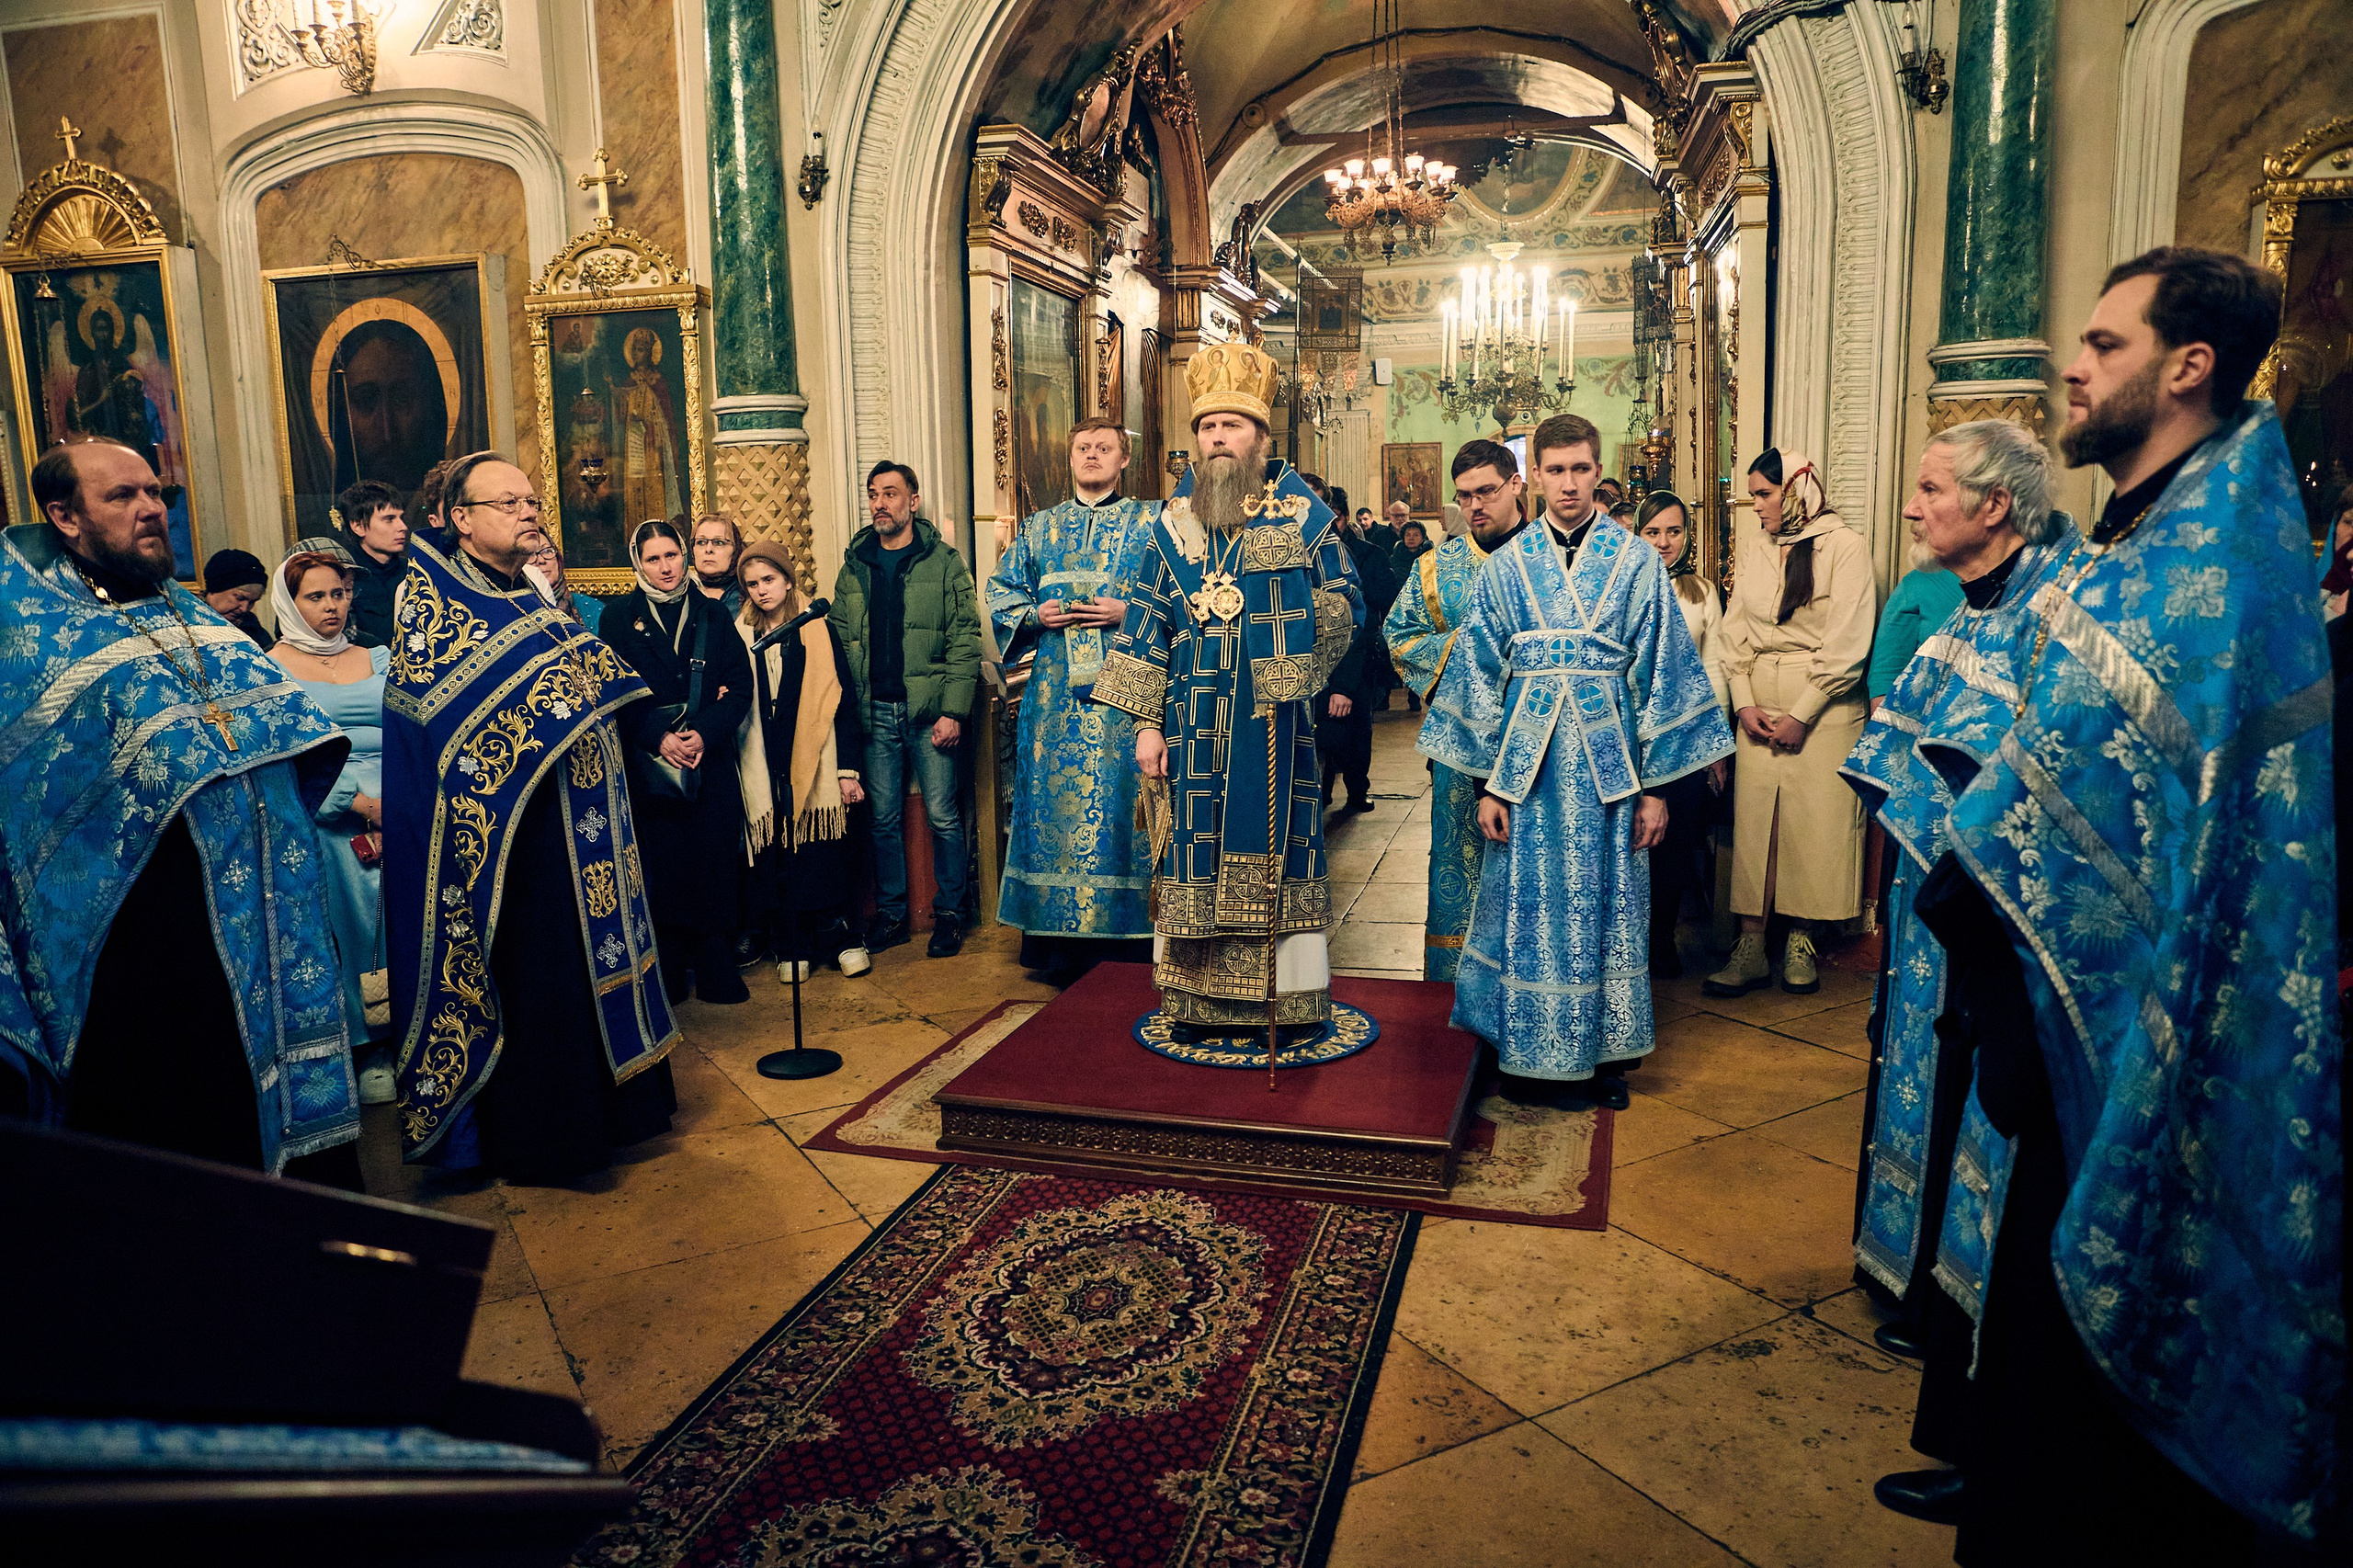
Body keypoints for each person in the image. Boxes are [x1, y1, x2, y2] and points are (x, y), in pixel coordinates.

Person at [1902, 248, 2340, 1560]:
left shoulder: (2220, 572)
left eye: (2102, 345)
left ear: (2186, 365)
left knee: (2092, 1351)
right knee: (2037, 1312)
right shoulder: (2150, 535)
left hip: (2127, 1015)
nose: (2074, 372)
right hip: (2050, 1006)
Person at [1836, 419, 2076, 1529]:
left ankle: (1993, 1431)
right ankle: (1936, 1305)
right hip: (1936, 920)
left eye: (1930, 488)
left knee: (1996, 1142)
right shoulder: (1972, 608)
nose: (1911, 504)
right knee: (1928, 1106)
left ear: (1994, 506)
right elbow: (1900, 743)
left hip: (2008, 942)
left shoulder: (2057, 614)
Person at [0, 437, 358, 1180]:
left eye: (155, 492)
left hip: (267, 912)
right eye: (123, 497)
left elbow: (288, 736)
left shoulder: (194, 617)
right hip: (140, 942)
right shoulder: (27, 636)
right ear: (65, 516)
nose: (152, 509)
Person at [1423, 415, 1730, 1108]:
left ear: (1598, 472)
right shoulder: (1505, 567)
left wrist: (1659, 791)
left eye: (1580, 470)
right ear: (1535, 477)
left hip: (1610, 774)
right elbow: (1477, 677)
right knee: (1526, 912)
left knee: (1608, 908)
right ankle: (1526, 1051)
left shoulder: (1638, 563)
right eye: (1555, 471)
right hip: (1525, 776)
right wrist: (1485, 786)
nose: (1568, 484)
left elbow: (1666, 674)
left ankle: (1601, 1057)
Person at [385, 451, 677, 1181]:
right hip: (516, 843)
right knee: (539, 977)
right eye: (509, 503)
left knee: (584, 974)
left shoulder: (528, 594)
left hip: (583, 827)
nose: (530, 513)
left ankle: (616, 1117)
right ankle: (550, 1140)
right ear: (461, 519)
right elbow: (446, 735)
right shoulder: (432, 608)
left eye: (532, 501)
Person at [1094, 340, 1363, 1039]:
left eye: (1232, 426)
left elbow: (1346, 601)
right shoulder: (1170, 523)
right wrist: (1146, 727)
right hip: (1191, 724)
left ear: (1261, 439)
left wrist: (1295, 657)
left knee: (1279, 843)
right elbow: (1146, 618)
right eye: (1207, 427)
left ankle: (1287, 998)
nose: (1217, 438)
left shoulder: (1303, 518)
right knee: (1193, 849)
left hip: (1275, 723)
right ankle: (1195, 1003)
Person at [985, 417, 1158, 983]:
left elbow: (1181, 595)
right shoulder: (1038, 528)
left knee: (1120, 807)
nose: (1091, 455)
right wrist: (1035, 615)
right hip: (1056, 697)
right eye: (1082, 447)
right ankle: (1055, 943)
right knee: (1053, 810)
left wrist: (1127, 612)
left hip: (1125, 692)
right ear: (1070, 457)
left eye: (1103, 448)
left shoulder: (1152, 522)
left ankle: (1128, 939)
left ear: (1123, 458)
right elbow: (1001, 590)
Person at [1707, 449, 1877, 996]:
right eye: (1753, 494)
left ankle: (1802, 940)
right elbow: (1734, 632)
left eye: (1763, 494)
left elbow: (1848, 643)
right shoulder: (1757, 548)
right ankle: (1751, 942)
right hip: (1758, 696)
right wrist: (1742, 701)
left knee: (1815, 825)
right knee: (1758, 826)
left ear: (1796, 490)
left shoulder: (1845, 548)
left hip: (1823, 711)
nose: (1755, 505)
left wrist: (1803, 713)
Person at [831, 461, 983, 960]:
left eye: (890, 494)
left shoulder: (944, 562)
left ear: (912, 502)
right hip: (873, 712)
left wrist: (954, 711)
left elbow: (965, 640)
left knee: (942, 816)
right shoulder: (855, 564)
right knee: (883, 820)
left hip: (929, 713)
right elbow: (839, 639)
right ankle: (893, 916)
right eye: (873, 494)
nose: (879, 503)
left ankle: (951, 914)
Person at [601, 519, 755, 1006]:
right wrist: (659, 737)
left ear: (684, 556)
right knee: (662, 863)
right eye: (653, 559)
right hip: (652, 765)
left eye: (671, 555)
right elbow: (614, 692)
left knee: (712, 859)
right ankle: (666, 967)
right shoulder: (618, 617)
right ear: (637, 563)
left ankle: (714, 963)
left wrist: (703, 734)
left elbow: (740, 685)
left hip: (706, 760)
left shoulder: (712, 614)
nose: (665, 567)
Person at [1387, 438, 1523, 982]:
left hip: (1545, 742)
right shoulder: (1436, 566)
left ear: (1517, 485)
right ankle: (1458, 986)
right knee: (1462, 861)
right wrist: (1470, 652)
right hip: (1462, 747)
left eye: (1486, 492)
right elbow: (1398, 636)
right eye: (1464, 497)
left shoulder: (1551, 557)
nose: (1475, 507)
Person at [267, 546, 394, 1105]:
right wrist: (362, 805)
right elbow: (289, 754)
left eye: (339, 594)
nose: (331, 606)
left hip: (401, 812)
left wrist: (403, 803)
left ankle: (410, 1036)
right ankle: (364, 1048)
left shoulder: (378, 658)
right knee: (350, 930)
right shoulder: (268, 668)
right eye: (314, 596)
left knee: (403, 924)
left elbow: (409, 729)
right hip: (329, 817)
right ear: (290, 603)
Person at [733, 541, 872, 982]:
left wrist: (847, 769)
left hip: (814, 756)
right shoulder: (742, 635)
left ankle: (841, 937)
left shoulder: (814, 626)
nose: (761, 591)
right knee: (777, 854)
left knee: (821, 852)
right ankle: (792, 944)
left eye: (769, 580)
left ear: (789, 580)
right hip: (765, 754)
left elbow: (843, 699)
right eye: (752, 584)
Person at [1632, 490, 1732, 975]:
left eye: (1673, 531)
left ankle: (1662, 940)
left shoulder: (1701, 591)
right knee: (1629, 839)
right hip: (1628, 736)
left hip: (1685, 738)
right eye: (1652, 532)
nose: (1663, 542)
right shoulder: (1620, 587)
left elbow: (1716, 668)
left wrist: (1717, 745)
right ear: (1637, 533)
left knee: (1674, 842)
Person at [1319, 506, 1400, 813]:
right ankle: (1321, 792)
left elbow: (1380, 602)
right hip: (1319, 664)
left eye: (1334, 516)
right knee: (1322, 733)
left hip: (1358, 656)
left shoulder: (1369, 553)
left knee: (1355, 732)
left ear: (1344, 517)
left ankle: (1356, 790)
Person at [335, 478, 409, 649]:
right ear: (358, 526)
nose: (402, 526)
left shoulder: (414, 571)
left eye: (401, 517)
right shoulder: (342, 577)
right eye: (389, 519)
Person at [201, 547, 274, 650]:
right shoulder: (186, 623)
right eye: (240, 598)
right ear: (216, 588)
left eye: (252, 602)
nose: (244, 608)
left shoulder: (256, 632)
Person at [527, 538, 603, 633]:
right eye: (530, 554)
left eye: (547, 551)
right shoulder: (515, 610)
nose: (541, 560)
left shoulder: (591, 607)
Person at [690, 511, 745, 619]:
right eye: (701, 542)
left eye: (719, 542)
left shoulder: (749, 594)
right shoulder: (681, 593)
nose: (709, 549)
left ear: (735, 550)